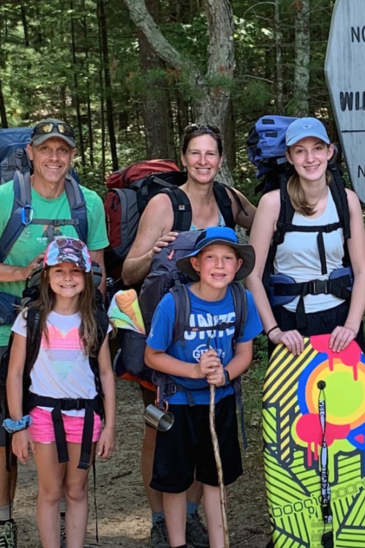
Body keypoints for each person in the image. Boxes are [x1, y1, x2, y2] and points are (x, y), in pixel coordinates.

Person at [0, 119, 109, 548]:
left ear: (73, 156)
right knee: (3, 431)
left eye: (63, 150)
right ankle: (3, 521)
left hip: (67, 339)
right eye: (46, 149)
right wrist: (19, 273)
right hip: (9, 331)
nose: (54, 158)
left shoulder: (88, 204)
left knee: (66, 419)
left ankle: (62, 513)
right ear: (30, 153)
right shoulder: (1, 199)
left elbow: (96, 271)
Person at [121, 123, 256, 548]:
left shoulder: (228, 199)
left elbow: (268, 219)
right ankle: (161, 519)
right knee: (161, 427)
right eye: (195, 153)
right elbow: (128, 271)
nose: (203, 161)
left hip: (214, 336)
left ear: (220, 159)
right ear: (183, 158)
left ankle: (192, 516)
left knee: (204, 426)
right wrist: (155, 249)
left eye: (211, 154)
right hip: (166, 328)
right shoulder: (164, 203)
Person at [144, 227, 263, 548]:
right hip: (179, 404)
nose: (219, 265)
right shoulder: (173, 304)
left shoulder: (242, 300)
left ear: (238, 265)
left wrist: (224, 375)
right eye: (211, 257)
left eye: (228, 258)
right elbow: (152, 355)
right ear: (196, 264)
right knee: (176, 481)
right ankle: (178, 543)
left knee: (215, 477)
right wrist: (195, 370)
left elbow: (244, 353)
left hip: (220, 402)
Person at [6, 237, 115, 548]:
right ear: (46, 276)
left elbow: (106, 373)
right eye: (59, 271)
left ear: (87, 276)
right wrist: (18, 425)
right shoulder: (31, 319)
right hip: (42, 416)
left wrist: (110, 426)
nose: (68, 278)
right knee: (51, 490)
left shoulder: (95, 320)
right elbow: (14, 374)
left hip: (86, 416)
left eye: (75, 271)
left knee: (78, 489)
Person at [245, 116, 365, 357]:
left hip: (340, 322)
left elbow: (363, 270)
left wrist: (351, 326)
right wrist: (274, 331)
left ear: (329, 152)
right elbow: (252, 275)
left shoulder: (346, 200)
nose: (310, 158)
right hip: (291, 325)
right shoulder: (272, 203)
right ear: (289, 157)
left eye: (317, 148)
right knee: (293, 395)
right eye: (300, 151)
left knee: (346, 394)